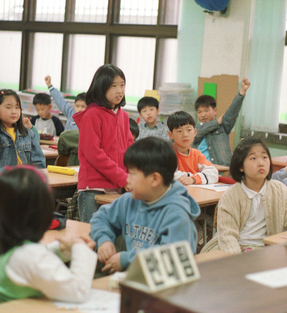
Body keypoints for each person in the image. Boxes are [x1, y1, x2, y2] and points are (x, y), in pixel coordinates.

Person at [0, 165, 97, 306]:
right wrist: (81, 249)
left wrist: (64, 249)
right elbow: (78, 291)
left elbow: (34, 260)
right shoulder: (29, 257)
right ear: (42, 212)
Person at [90, 137, 200, 273]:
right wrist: (104, 240)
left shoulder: (177, 213)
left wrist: (126, 259)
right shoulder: (130, 201)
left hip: (167, 286)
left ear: (155, 179)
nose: (127, 180)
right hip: (135, 278)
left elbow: (172, 258)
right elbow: (100, 217)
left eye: (132, 174)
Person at [210, 137, 287, 255]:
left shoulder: (279, 189)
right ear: (240, 166)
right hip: (239, 248)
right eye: (253, 158)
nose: (261, 163)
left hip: (269, 248)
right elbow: (228, 236)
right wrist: (236, 262)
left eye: (264, 157)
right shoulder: (231, 195)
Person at [73, 64, 134, 223]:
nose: (119, 90)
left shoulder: (124, 116)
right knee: (93, 240)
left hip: (118, 188)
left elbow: (129, 151)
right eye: (114, 86)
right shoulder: (92, 115)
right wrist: (123, 178)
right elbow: (94, 154)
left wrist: (132, 176)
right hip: (94, 189)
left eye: (122, 85)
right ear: (101, 87)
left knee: (113, 242)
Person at [0, 89, 46, 189]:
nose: (14, 111)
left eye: (17, 107)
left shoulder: (28, 134)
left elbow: (39, 163)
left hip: (23, 186)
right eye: (8, 107)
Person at [192, 77, 251, 166]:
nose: (203, 115)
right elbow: (199, 132)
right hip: (198, 169)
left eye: (206, 110)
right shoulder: (195, 129)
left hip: (219, 169)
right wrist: (216, 123)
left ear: (215, 111)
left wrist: (242, 92)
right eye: (199, 112)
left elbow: (232, 112)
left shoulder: (222, 127)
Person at [167, 111, 218, 185]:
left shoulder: (196, 154)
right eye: (179, 131)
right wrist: (197, 176)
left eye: (189, 130)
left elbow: (213, 173)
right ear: (171, 135)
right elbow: (170, 175)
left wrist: (193, 179)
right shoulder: (167, 153)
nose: (185, 135)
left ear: (194, 132)